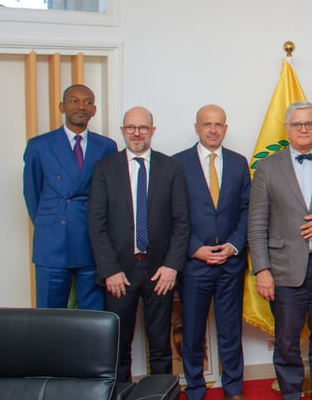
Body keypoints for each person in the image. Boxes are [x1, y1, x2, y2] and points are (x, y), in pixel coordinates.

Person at [248, 101, 312, 400]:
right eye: (297, 124)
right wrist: (262, 270)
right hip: (283, 269)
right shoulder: (267, 166)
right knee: (287, 342)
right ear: (287, 129)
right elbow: (256, 222)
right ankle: (290, 394)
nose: (303, 129)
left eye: (309, 124)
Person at [87, 106, 190, 382]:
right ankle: (119, 393)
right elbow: (96, 225)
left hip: (160, 271)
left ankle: (161, 394)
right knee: (119, 346)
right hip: (119, 271)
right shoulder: (105, 169)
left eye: (143, 128)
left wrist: (171, 267)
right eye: (130, 128)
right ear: (122, 131)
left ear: (152, 131)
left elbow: (182, 222)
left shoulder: (171, 168)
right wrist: (109, 270)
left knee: (160, 346)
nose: (136, 133)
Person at [173, 105, 250, 400]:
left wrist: (232, 246)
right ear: (197, 127)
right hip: (195, 263)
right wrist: (195, 249)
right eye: (207, 124)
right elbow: (175, 213)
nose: (213, 129)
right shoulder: (178, 164)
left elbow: (246, 210)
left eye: (218, 124)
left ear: (226, 128)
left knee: (230, 332)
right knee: (192, 332)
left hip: (230, 262)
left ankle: (233, 389)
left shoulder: (239, 163)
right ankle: (194, 388)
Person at [23, 84, 117, 310]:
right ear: (62, 106)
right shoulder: (39, 145)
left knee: (93, 317)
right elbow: (32, 192)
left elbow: (112, 195)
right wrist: (52, 223)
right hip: (52, 242)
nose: (81, 106)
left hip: (91, 241)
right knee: (49, 317)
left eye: (87, 102)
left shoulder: (106, 146)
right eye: (74, 101)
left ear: (94, 110)